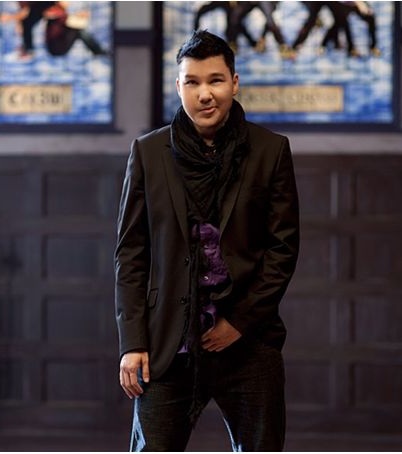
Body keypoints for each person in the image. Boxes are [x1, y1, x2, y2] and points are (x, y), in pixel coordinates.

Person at [115, 30, 299, 452]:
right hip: (167, 342)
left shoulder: (271, 150)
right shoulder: (148, 152)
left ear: (234, 82)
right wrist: (133, 342)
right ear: (178, 86)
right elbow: (131, 254)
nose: (205, 94)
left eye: (215, 80)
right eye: (192, 82)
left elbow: (282, 250)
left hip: (249, 342)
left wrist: (240, 322)